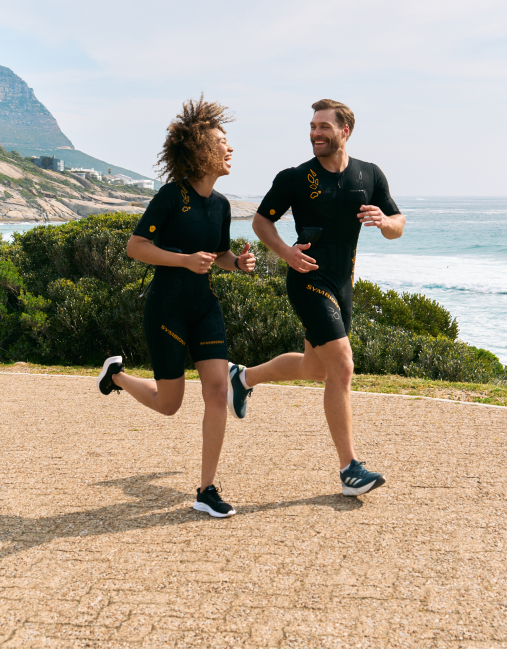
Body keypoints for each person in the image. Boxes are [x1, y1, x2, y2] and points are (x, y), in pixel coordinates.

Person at [227, 99, 405, 496]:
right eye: (312, 126)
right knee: (342, 366)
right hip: (307, 279)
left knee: (316, 368)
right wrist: (286, 253)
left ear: (345, 131)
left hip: (343, 286)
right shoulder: (295, 177)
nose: (315, 133)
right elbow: (261, 221)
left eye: (324, 126)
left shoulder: (369, 174)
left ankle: (243, 377)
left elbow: (398, 223)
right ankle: (349, 469)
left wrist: (385, 222)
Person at [96, 96, 255, 518]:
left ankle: (206, 489)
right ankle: (116, 376)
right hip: (166, 308)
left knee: (218, 391)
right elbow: (136, 247)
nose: (229, 148)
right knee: (170, 404)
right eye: (222, 141)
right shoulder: (171, 196)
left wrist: (235, 263)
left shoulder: (222, 206)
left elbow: (218, 254)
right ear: (200, 150)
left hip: (205, 307)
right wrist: (184, 260)